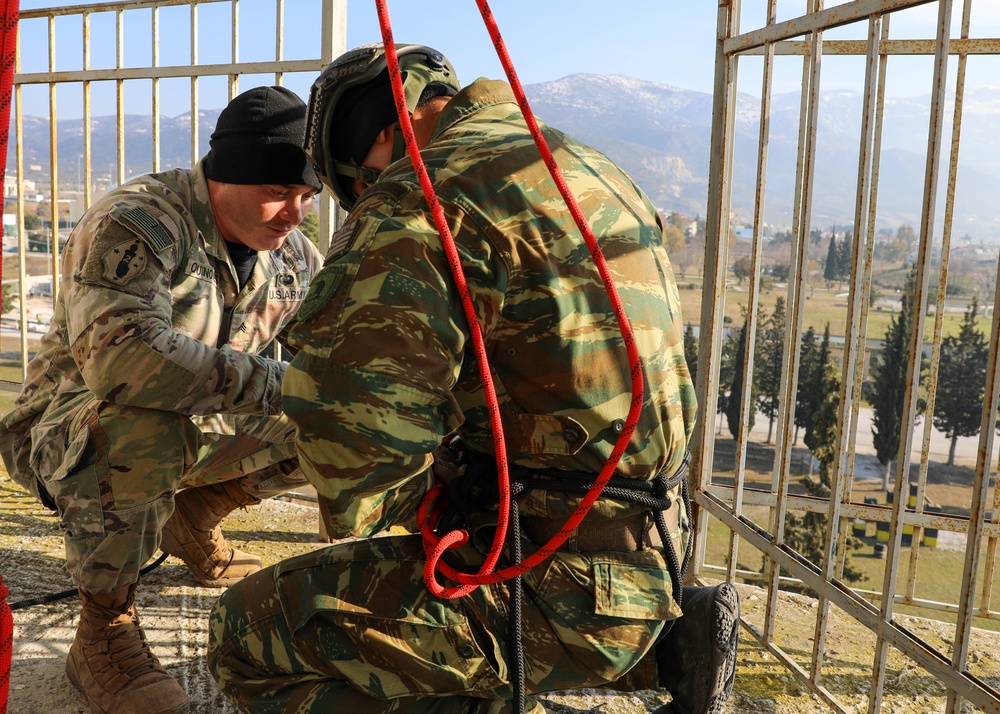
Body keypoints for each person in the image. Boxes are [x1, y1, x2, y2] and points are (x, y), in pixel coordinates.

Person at [207, 44, 739, 714]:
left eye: (361, 184)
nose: (369, 198)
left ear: (380, 137)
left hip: (549, 579)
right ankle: (662, 645)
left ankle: (554, 662)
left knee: (248, 635)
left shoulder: (423, 193)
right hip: (654, 547)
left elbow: (356, 458)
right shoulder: (581, 163)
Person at [0, 85, 324, 714]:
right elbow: (124, 364)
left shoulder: (291, 257)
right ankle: (104, 632)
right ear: (226, 177)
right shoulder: (138, 221)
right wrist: (287, 387)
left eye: (308, 196)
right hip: (70, 430)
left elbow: (328, 357)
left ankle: (192, 516)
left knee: (338, 417)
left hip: (191, 426)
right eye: (279, 192)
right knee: (142, 420)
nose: (296, 213)